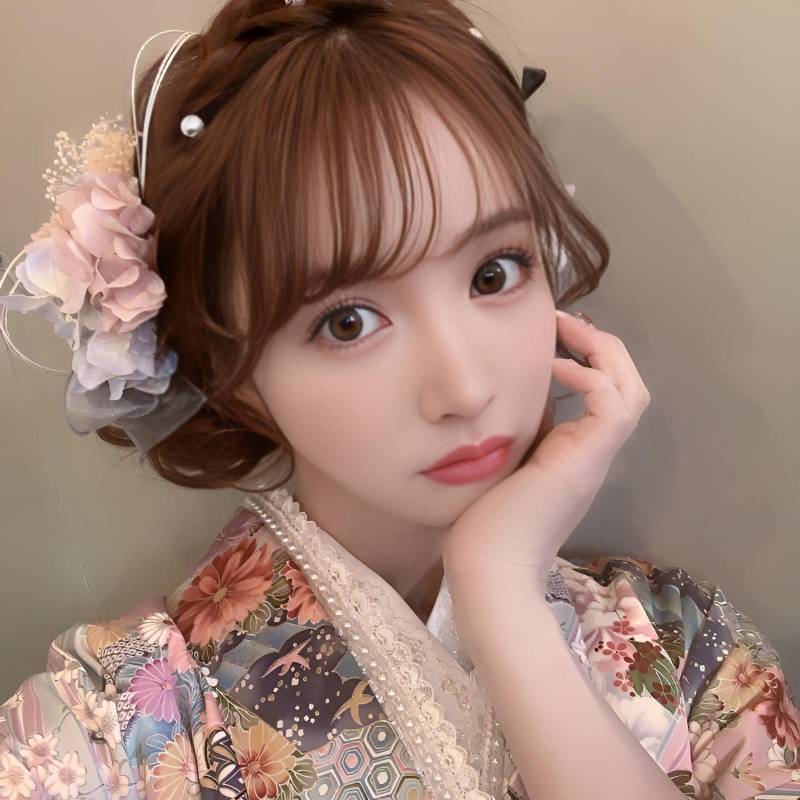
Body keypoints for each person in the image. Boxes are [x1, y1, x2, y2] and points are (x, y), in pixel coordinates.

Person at [1, 1, 798, 798]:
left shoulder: (689, 647)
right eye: (347, 321)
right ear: (228, 366)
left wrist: (499, 591)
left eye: (494, 273)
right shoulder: (111, 730)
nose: (467, 389)